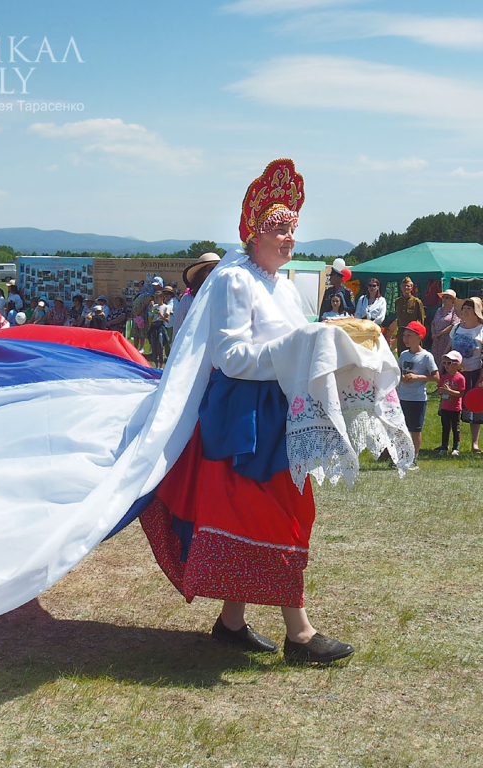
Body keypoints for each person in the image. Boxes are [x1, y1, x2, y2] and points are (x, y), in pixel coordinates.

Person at [140, 159, 356, 664]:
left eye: (292, 231)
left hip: (276, 409)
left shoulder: (281, 282)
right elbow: (232, 356)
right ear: (254, 231)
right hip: (246, 417)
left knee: (275, 511)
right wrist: (298, 351)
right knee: (274, 513)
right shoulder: (235, 279)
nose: (289, 240)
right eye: (280, 230)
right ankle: (299, 634)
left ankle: (231, 622)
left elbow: (291, 342)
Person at [395, 321, 438, 466]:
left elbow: (436, 377)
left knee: (415, 429)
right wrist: (401, 378)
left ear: (419, 337)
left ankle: (413, 458)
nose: (405, 339)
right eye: (404, 335)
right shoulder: (403, 355)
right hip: (402, 396)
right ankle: (402, 456)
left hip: (417, 399)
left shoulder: (426, 356)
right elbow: (398, 373)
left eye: (409, 335)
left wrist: (417, 377)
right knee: (401, 429)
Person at [447, 297, 483, 452]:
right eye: (464, 308)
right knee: (450, 408)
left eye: (470, 308)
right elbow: (448, 349)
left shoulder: (481, 330)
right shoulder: (456, 328)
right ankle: (449, 443)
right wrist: (443, 370)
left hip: (474, 374)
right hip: (454, 374)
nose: (466, 310)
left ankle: (474, 444)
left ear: (477, 311)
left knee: (475, 409)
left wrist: (481, 379)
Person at [175, 252, 220, 334]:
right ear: (201, 274)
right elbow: (178, 331)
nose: (215, 273)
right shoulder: (187, 301)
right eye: (212, 269)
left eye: (218, 269)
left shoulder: (225, 298)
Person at [435, 350, 465, 456]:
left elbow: (460, 393)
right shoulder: (444, 377)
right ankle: (444, 447)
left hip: (455, 408)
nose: (446, 366)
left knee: (455, 428)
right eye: (445, 363)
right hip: (445, 407)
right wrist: (441, 390)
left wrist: (449, 391)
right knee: (445, 428)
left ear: (458, 364)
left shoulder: (460, 378)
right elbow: (439, 390)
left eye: (450, 363)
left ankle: (456, 447)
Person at [395, 277, 425, 354]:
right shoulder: (398, 301)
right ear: (401, 287)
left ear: (412, 288)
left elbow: (421, 320)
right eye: (404, 286)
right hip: (401, 333)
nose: (406, 288)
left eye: (408, 286)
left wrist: (418, 336)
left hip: (413, 334)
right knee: (401, 355)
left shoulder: (416, 302)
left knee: (414, 354)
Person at [431, 289, 459, 362]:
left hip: (447, 341)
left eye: (447, 297)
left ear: (453, 300)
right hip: (436, 341)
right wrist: (433, 334)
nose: (444, 299)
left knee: (445, 360)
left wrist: (439, 334)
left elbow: (453, 325)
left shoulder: (455, 311)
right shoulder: (439, 310)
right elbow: (433, 323)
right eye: (443, 297)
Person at [147, 290, 170, 367]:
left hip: (160, 325)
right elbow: (151, 315)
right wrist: (151, 308)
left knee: (160, 345)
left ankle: (161, 365)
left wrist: (161, 315)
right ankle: (156, 364)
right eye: (155, 298)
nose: (156, 299)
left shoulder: (166, 307)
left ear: (162, 298)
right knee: (154, 345)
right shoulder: (155, 306)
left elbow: (167, 319)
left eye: (158, 298)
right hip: (154, 326)